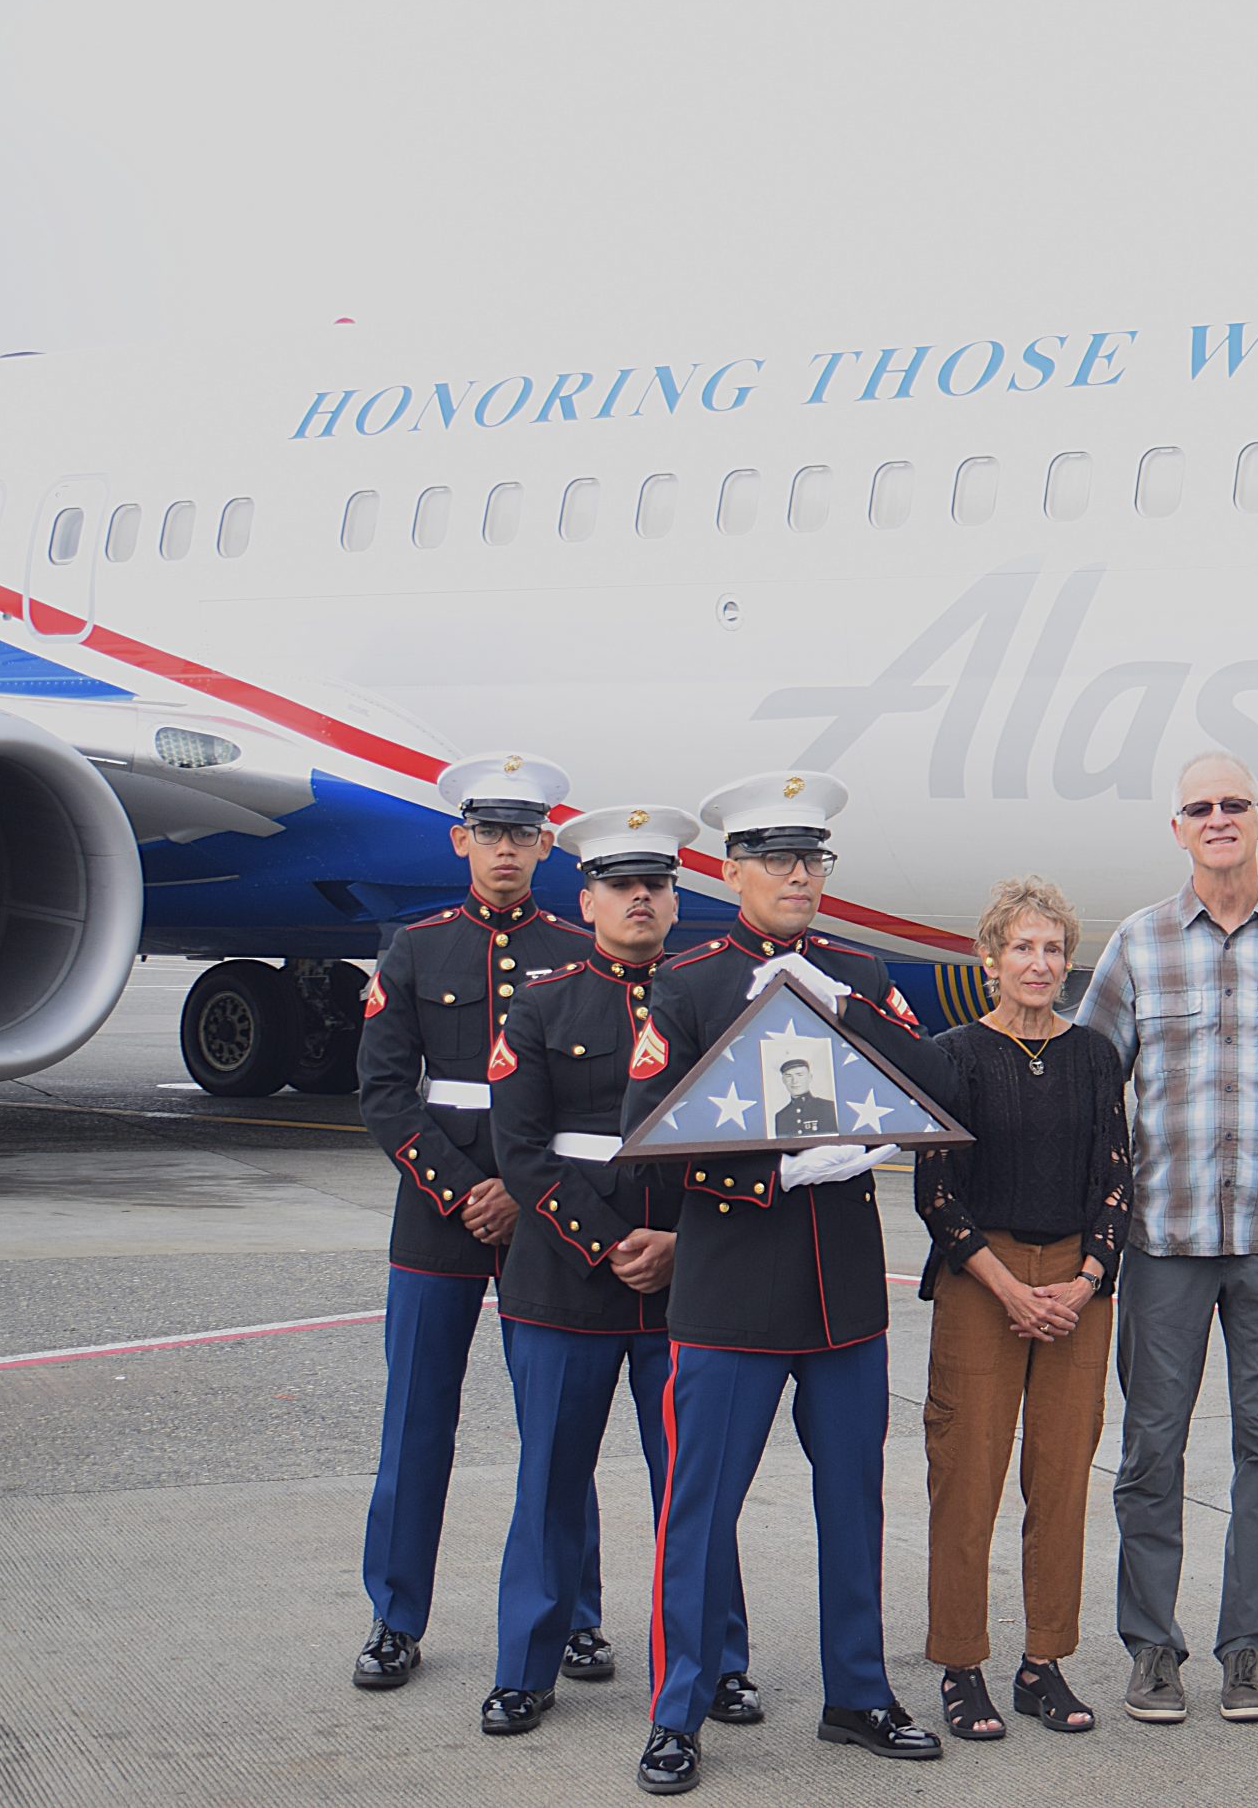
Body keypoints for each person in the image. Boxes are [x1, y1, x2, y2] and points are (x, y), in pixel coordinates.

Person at [626, 771, 958, 1794]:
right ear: (730, 871)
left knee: (852, 1501)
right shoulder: (686, 984)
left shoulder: (855, 966)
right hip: (728, 1291)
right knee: (699, 1508)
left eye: (812, 858)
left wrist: (847, 1006)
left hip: (841, 1294)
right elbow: (646, 1133)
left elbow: (931, 1078)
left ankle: (855, 1691)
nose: (799, 874)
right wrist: (770, 1166)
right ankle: (678, 1710)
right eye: (777, 858)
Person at [1075, 750, 1258, 1729]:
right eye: (1201, 806)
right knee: (1151, 1450)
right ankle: (1152, 1648)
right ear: (1178, 827)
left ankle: (1246, 1653)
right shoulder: (1139, 945)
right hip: (1164, 1241)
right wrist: (1102, 1218)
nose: (1219, 816)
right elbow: (1089, 1084)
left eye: (1234, 803)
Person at [478, 804, 758, 1739]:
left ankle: (717, 1662)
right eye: (622, 886)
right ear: (587, 898)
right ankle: (527, 1664)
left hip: (690, 1281)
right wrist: (608, 1243)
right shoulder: (545, 1000)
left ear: (678, 901)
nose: (642, 899)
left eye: (659, 885)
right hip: (564, 1282)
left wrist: (681, 1239)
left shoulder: (712, 998)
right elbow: (519, 1150)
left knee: (694, 1488)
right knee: (551, 1478)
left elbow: (735, 1135)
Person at [353, 753, 592, 1691]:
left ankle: (574, 1614)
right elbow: (383, 1092)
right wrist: (464, 1189)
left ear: (545, 846)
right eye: (490, 834)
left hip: (546, 1215)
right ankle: (394, 1615)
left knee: (558, 1424)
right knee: (416, 1422)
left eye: (524, 835)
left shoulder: (577, 950)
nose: (506, 850)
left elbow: (583, 1096)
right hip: (437, 1216)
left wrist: (521, 1192)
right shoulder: (415, 948)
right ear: (461, 840)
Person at [914, 876, 1131, 1741]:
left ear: (1067, 959)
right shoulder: (955, 1053)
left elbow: (1118, 1178)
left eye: (1052, 948)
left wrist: (1082, 1282)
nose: (1038, 963)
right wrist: (1007, 1285)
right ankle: (961, 1663)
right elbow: (935, 1191)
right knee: (966, 1476)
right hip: (981, 1280)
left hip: (1076, 1286)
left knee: (1062, 1477)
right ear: (990, 957)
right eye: (1023, 947)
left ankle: (1045, 1660)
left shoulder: (1093, 1055)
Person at [774, 1059, 839, 1138]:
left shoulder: (829, 1107)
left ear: (810, 1077)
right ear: (783, 1080)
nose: (794, 1081)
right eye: (788, 1076)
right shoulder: (781, 1117)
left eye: (799, 1075)